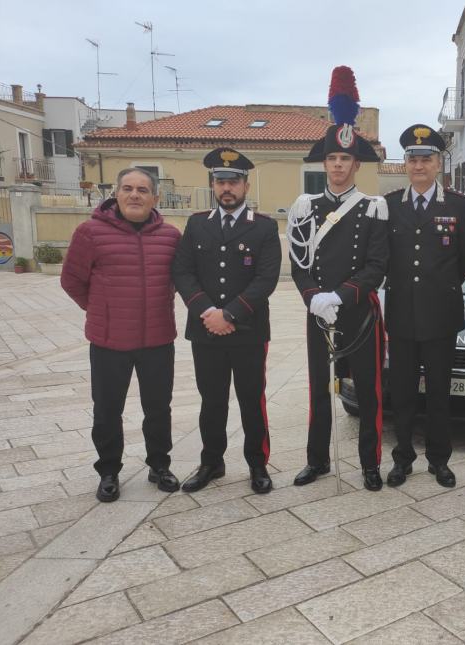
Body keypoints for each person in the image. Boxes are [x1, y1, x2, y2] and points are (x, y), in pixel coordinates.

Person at [287, 66, 389, 491]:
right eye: (332, 158)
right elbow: (297, 261)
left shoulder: (373, 208)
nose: (338, 166)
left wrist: (341, 296)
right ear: (324, 162)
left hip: (359, 312)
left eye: (345, 158)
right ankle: (317, 461)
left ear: (356, 163)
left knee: (368, 392)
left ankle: (369, 464)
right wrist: (314, 296)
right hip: (318, 313)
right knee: (318, 391)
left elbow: (376, 265)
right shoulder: (305, 207)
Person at [61, 167, 181, 502]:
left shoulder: (171, 236)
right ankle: (109, 471)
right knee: (107, 409)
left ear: (155, 198)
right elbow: (72, 281)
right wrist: (102, 311)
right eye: (127, 188)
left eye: (143, 190)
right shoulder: (90, 232)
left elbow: (180, 279)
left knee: (159, 407)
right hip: (109, 341)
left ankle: (159, 465)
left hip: (158, 339)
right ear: (116, 193)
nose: (134, 195)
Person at [172, 147, 281, 494]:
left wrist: (230, 314)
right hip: (206, 332)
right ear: (213, 185)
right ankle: (211, 463)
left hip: (248, 332)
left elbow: (266, 279)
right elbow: (183, 272)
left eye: (233, 181)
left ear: (246, 185)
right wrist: (209, 313)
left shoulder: (262, 228)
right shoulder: (197, 224)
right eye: (220, 181)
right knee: (212, 401)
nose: (226, 188)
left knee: (252, 400)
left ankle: (257, 465)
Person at [382, 124, 465, 488]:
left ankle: (439, 460)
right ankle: (402, 458)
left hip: (441, 316)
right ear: (405, 164)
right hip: (402, 316)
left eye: (426, 159)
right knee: (403, 393)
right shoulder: (389, 205)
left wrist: (441, 287)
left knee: (440, 392)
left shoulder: (458, 206)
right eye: (412, 158)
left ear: (439, 163)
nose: (419, 165)